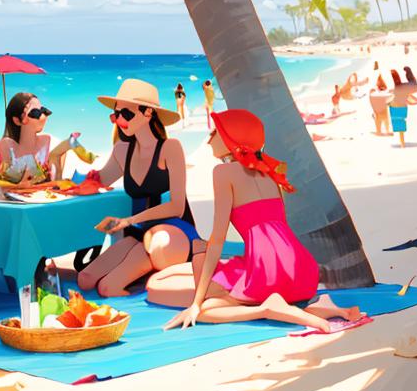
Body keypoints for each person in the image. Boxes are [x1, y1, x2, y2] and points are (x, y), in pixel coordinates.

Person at [148, 109, 362, 332]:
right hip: (302, 269)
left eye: (215, 131)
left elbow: (218, 238)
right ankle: (320, 307)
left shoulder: (223, 172)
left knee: (206, 309)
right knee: (205, 276)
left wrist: (196, 303)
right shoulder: (270, 173)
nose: (209, 138)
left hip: (266, 272)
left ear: (231, 137)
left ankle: (266, 308)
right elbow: (276, 229)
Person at [76, 79, 202, 297]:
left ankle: (148, 272)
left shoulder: (170, 148)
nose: (120, 121)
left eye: (127, 114)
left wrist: (130, 220)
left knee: (111, 285)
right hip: (140, 234)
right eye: (116, 115)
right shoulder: (122, 150)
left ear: (148, 114)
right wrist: (58, 173)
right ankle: (146, 272)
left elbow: (177, 207)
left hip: (173, 231)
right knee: (85, 279)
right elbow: (98, 183)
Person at [0, 92, 73, 182]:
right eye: (35, 113)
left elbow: (56, 182)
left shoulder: (48, 143)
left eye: (44, 110)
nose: (43, 117)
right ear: (17, 120)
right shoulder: (5, 146)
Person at [389, 69, 417, 148]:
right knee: (400, 125)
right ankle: (402, 143)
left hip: (395, 105)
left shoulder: (398, 87)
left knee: (400, 125)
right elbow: (413, 90)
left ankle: (402, 143)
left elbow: (410, 93)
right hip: (399, 105)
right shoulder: (401, 87)